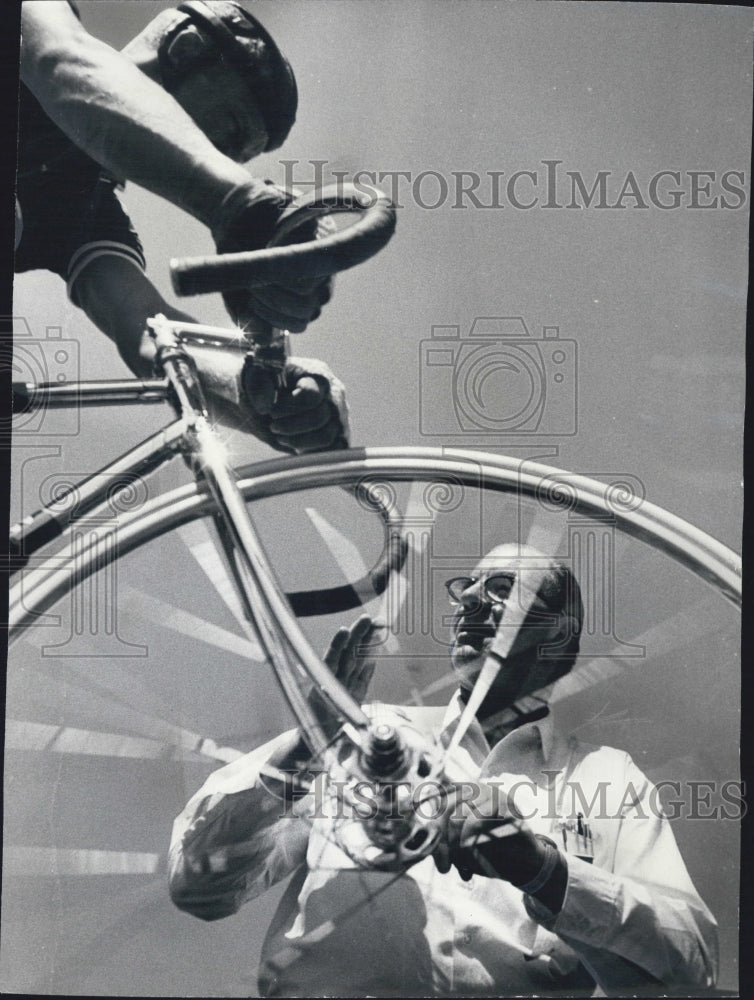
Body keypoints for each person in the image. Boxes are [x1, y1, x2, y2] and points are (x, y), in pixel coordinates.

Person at [167, 543, 718, 996]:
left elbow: (691, 963)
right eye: (468, 588)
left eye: (503, 589)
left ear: (557, 632)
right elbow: (198, 887)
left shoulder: (607, 778)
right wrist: (302, 752)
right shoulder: (360, 734)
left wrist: (540, 868)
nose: (471, 601)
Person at [15, 0, 346, 454]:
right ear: (185, 49)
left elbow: (156, 334)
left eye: (231, 159)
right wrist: (240, 204)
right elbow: (60, 62)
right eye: (227, 130)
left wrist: (257, 395)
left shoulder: (86, 217)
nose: (209, 153)